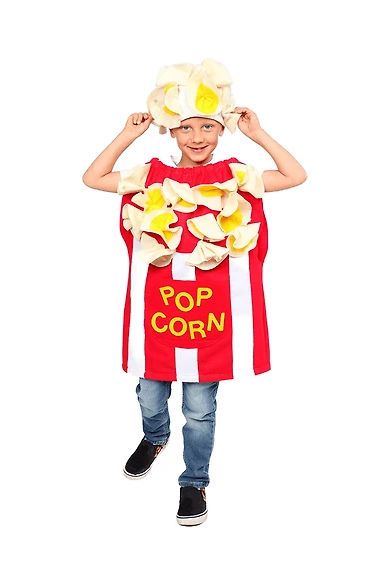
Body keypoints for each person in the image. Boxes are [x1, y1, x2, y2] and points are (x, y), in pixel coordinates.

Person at [82, 59, 306, 526]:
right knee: (149, 395)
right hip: (159, 317)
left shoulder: (235, 173)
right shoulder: (151, 175)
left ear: (222, 128)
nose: (197, 137)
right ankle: (155, 437)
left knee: (200, 408)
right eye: (185, 127)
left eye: (207, 126)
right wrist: (127, 135)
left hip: (210, 322)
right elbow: (93, 178)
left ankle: (194, 480)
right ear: (170, 130)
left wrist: (258, 134)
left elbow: (294, 175)